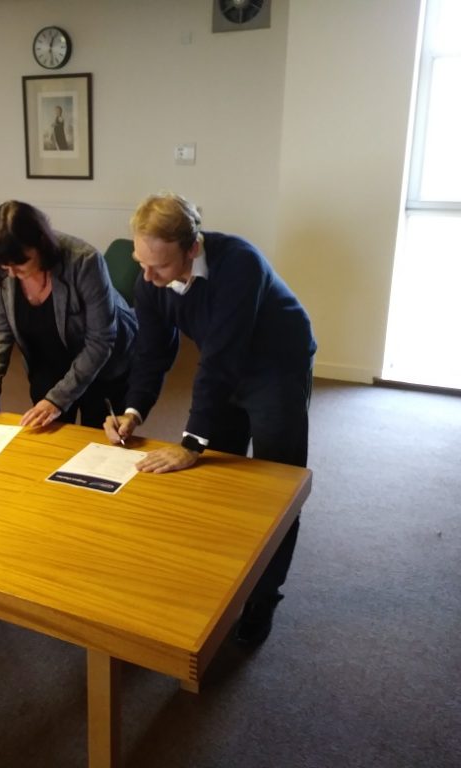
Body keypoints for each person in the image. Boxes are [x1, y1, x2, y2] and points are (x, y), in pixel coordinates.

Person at [103, 192, 317, 648]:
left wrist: (190, 442)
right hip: (227, 366)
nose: (146, 276)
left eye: (157, 266)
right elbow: (152, 352)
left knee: (276, 487)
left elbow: (219, 360)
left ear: (192, 247)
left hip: (276, 366)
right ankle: (219, 582)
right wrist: (133, 410)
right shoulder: (150, 280)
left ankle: (263, 597)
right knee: (216, 482)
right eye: (140, 262)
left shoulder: (240, 263)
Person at [0, 201, 137, 428]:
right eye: (6, 267)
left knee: (97, 438)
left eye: (21, 264)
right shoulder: (2, 268)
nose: (13, 275)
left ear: (42, 245)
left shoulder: (84, 261)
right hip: (47, 360)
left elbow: (100, 341)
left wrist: (57, 400)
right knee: (49, 435)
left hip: (103, 365)